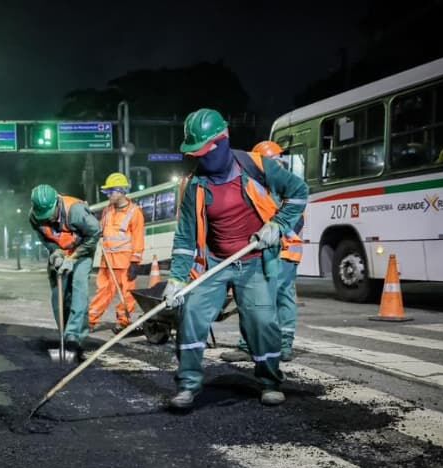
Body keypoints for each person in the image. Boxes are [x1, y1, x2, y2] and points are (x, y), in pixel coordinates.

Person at [162, 108, 307, 409]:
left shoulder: (258, 167)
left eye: (204, 150)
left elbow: (299, 193)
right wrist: (176, 278)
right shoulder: (194, 186)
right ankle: (187, 385)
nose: (200, 158)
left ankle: (269, 381)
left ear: (223, 140)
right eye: (195, 153)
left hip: (254, 261)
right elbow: (185, 237)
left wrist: (277, 226)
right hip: (215, 264)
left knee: (263, 321)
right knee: (191, 316)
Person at [221, 140, 305, 363]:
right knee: (270, 297)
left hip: (282, 250)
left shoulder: (278, 187)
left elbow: (291, 219)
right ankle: (267, 345)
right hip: (278, 251)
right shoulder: (272, 185)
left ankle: (263, 345)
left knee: (265, 298)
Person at [29, 184, 101, 356]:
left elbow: (94, 233)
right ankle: (64, 332)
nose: (48, 218)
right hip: (61, 253)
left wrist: (73, 258)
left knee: (78, 290)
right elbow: (45, 237)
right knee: (58, 295)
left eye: (50, 213)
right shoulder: (34, 217)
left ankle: (74, 336)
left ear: (57, 202)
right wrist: (56, 253)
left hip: (82, 251)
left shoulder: (75, 210)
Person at [88, 172, 145, 332]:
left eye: (110, 192)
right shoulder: (107, 211)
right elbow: (103, 230)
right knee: (103, 292)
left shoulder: (134, 212)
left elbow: (138, 238)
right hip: (107, 261)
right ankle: (90, 320)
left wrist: (135, 262)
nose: (108, 195)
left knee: (126, 293)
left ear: (121, 192)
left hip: (125, 262)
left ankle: (124, 322)